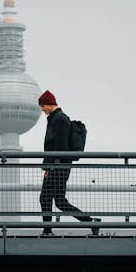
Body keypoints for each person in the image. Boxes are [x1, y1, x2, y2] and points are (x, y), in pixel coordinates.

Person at [37, 89, 100, 236]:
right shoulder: (56, 119)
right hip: (58, 166)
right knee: (59, 201)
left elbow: (60, 147)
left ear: (49, 104)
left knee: (45, 198)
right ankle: (90, 222)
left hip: (58, 167)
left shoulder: (59, 119)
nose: (41, 109)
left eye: (42, 106)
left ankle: (47, 231)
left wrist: (51, 167)